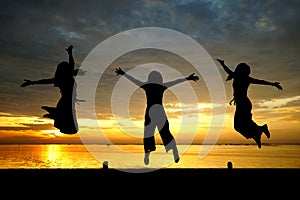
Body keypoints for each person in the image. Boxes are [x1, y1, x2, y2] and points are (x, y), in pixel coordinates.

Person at [115, 67, 199, 165]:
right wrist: (187, 78)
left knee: (148, 134)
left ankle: (147, 155)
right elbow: (175, 81)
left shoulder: (147, 86)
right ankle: (173, 150)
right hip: (159, 111)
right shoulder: (161, 86)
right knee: (164, 132)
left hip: (150, 111)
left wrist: (123, 73)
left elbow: (134, 80)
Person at [216, 59, 283, 148]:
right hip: (243, 104)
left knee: (239, 125)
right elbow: (228, 71)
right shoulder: (239, 77)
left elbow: (260, 81)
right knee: (242, 125)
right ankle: (258, 133)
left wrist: (272, 84)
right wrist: (223, 64)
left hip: (244, 104)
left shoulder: (241, 77)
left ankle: (260, 130)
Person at [20, 45, 85, 134]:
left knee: (71, 129)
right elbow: (45, 81)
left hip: (65, 102)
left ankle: (56, 114)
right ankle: (56, 114)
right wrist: (70, 53)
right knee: (71, 129)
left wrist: (32, 82)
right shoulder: (64, 77)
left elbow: (71, 66)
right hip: (66, 102)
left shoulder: (62, 78)